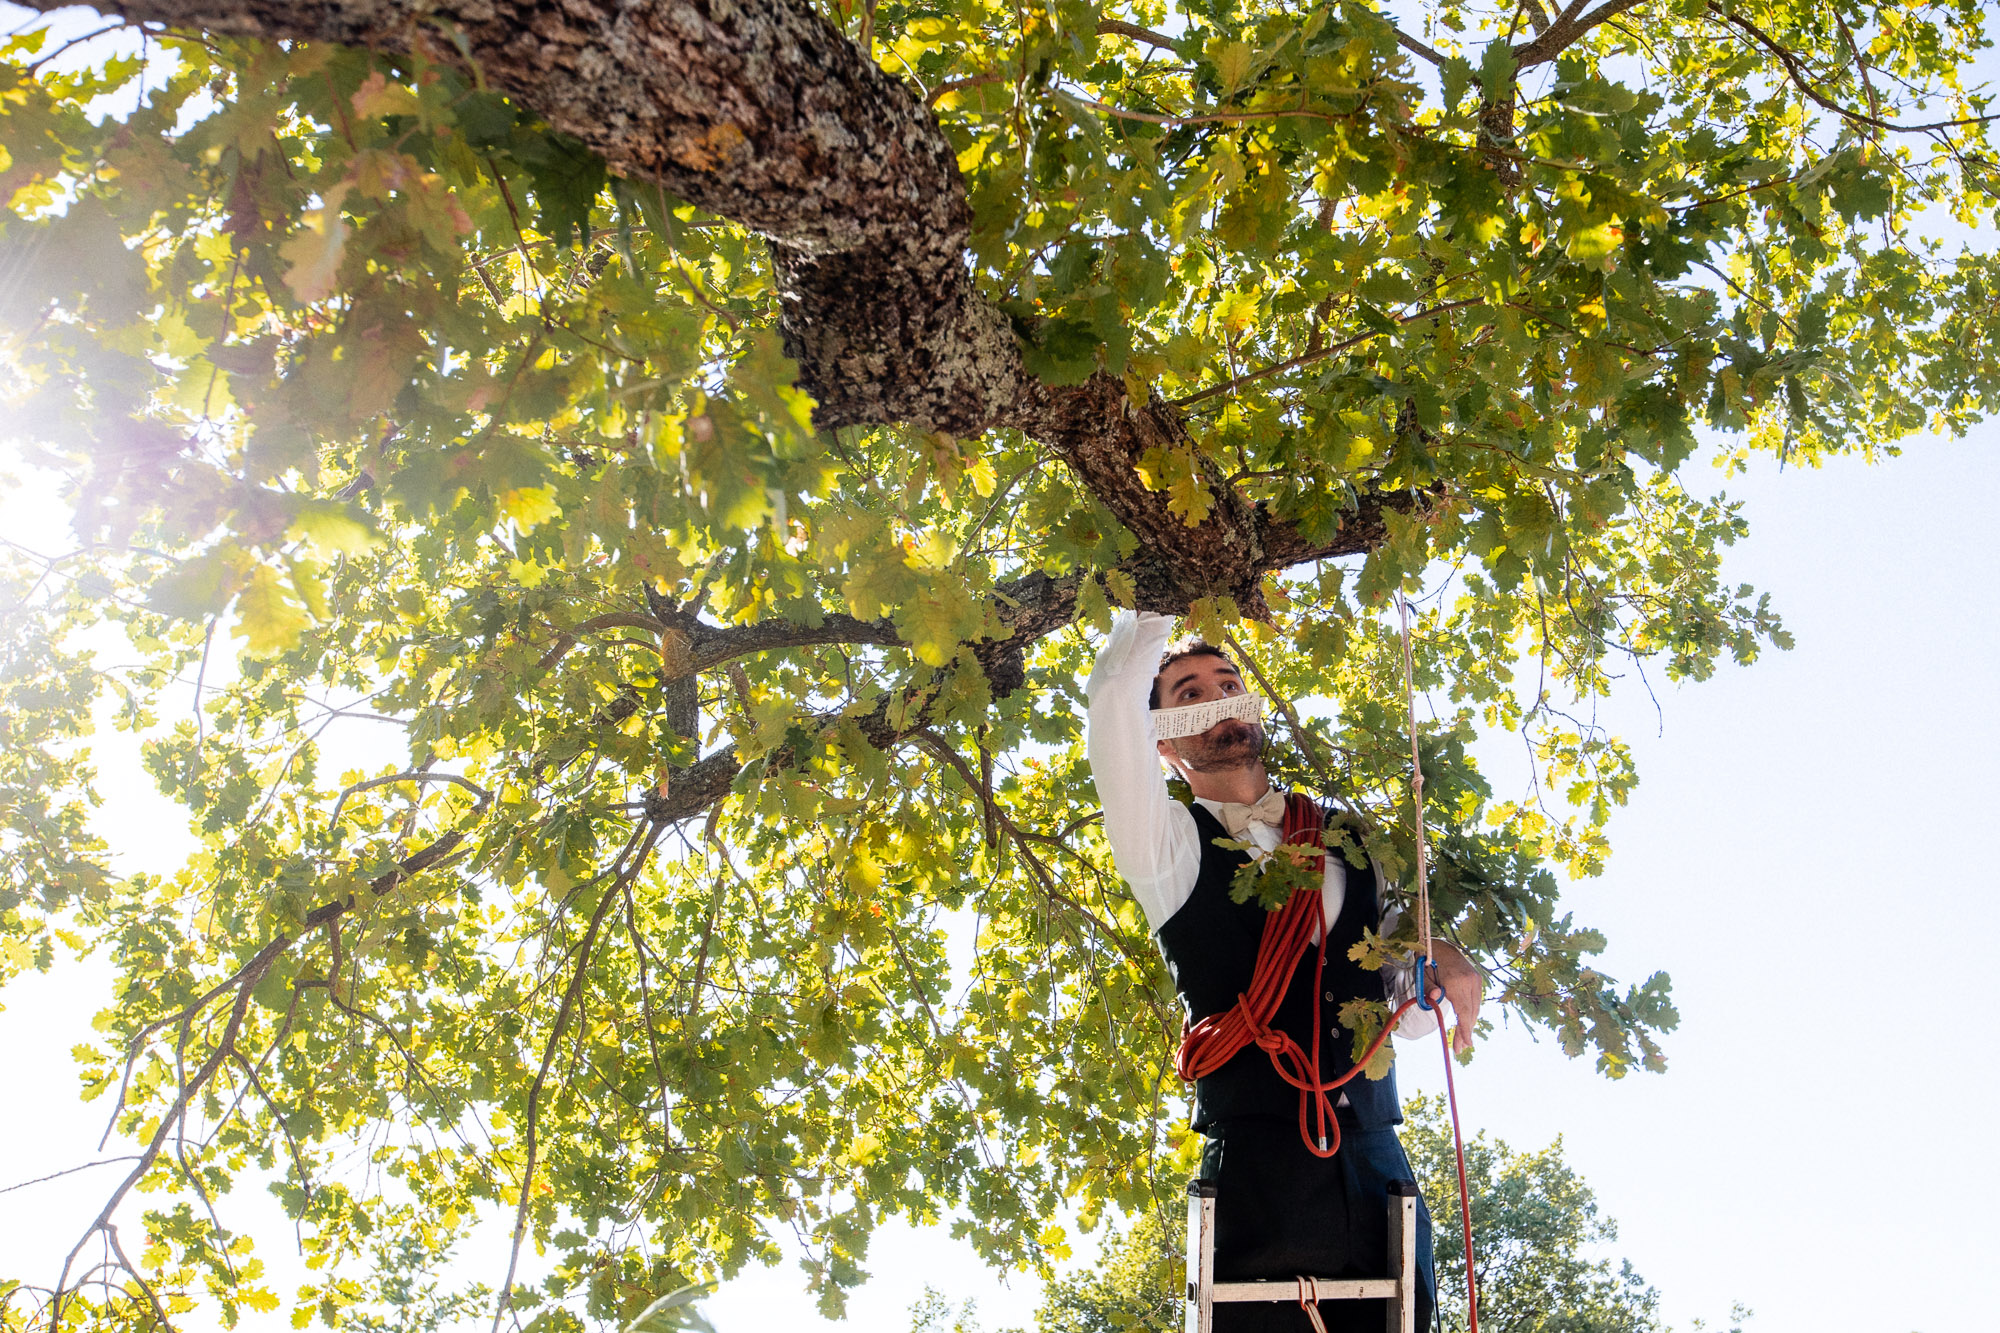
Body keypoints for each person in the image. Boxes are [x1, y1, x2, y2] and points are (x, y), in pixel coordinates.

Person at [1085, 610, 1483, 1332]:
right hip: (1256, 1166)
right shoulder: (1167, 849)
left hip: (1372, 1152)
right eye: (1189, 692)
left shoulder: (1351, 839)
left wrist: (1439, 961)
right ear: (1164, 740)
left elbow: (1407, 1008)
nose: (1219, 698)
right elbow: (1113, 704)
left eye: (1229, 683)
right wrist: (1155, 601)